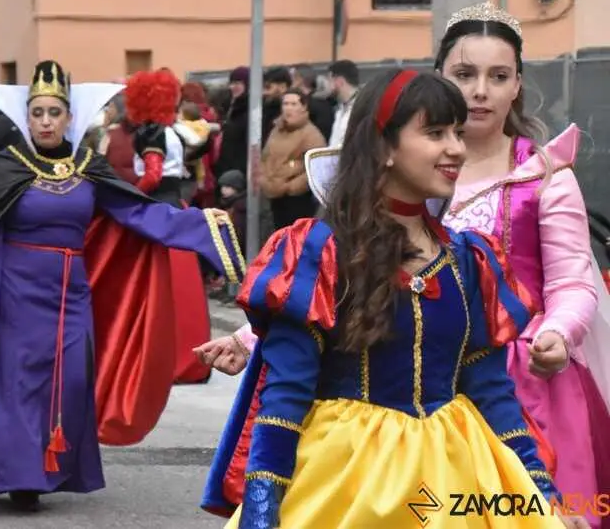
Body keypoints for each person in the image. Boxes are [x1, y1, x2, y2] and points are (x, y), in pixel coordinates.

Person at [201, 70, 586, 528]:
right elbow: (285, 400)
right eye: (435, 133)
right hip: (346, 484)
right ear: (383, 147)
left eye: (457, 133)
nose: (456, 148)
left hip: (457, 478)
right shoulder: (321, 254)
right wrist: (261, 514)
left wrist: (542, 496)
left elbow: (492, 393)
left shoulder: (469, 261)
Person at [0, 60, 244, 512]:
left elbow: (139, 212)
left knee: (70, 382)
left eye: (54, 113)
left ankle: (52, 463)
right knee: (20, 385)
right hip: (15, 296)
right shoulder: (5, 167)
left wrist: (203, 230)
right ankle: (22, 477)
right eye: (37, 113)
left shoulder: (89, 168)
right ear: (27, 118)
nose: (45, 121)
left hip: (71, 296)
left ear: (69, 118)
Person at [436, 2, 610, 528]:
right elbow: (348, 270)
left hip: (527, 380)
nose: (480, 91)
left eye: (498, 76)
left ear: (517, 86)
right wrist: (251, 336)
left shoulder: (545, 176)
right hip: (427, 380)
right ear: (439, 77)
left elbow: (572, 281)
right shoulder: (409, 169)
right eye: (464, 74)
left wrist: (558, 333)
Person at [124, 69, 215, 383]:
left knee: (159, 288)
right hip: (177, 206)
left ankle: (164, 360)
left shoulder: (150, 134)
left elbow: (152, 174)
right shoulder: (174, 131)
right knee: (184, 288)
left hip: (157, 213)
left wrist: (129, 196)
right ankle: (188, 358)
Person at [256, 88, 326, 230]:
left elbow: (315, 167)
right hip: (273, 196)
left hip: (297, 200)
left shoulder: (311, 134)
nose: (288, 108)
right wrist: (264, 179)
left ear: (304, 107)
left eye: (293, 104)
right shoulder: (276, 130)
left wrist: (291, 187)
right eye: (285, 103)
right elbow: (265, 157)